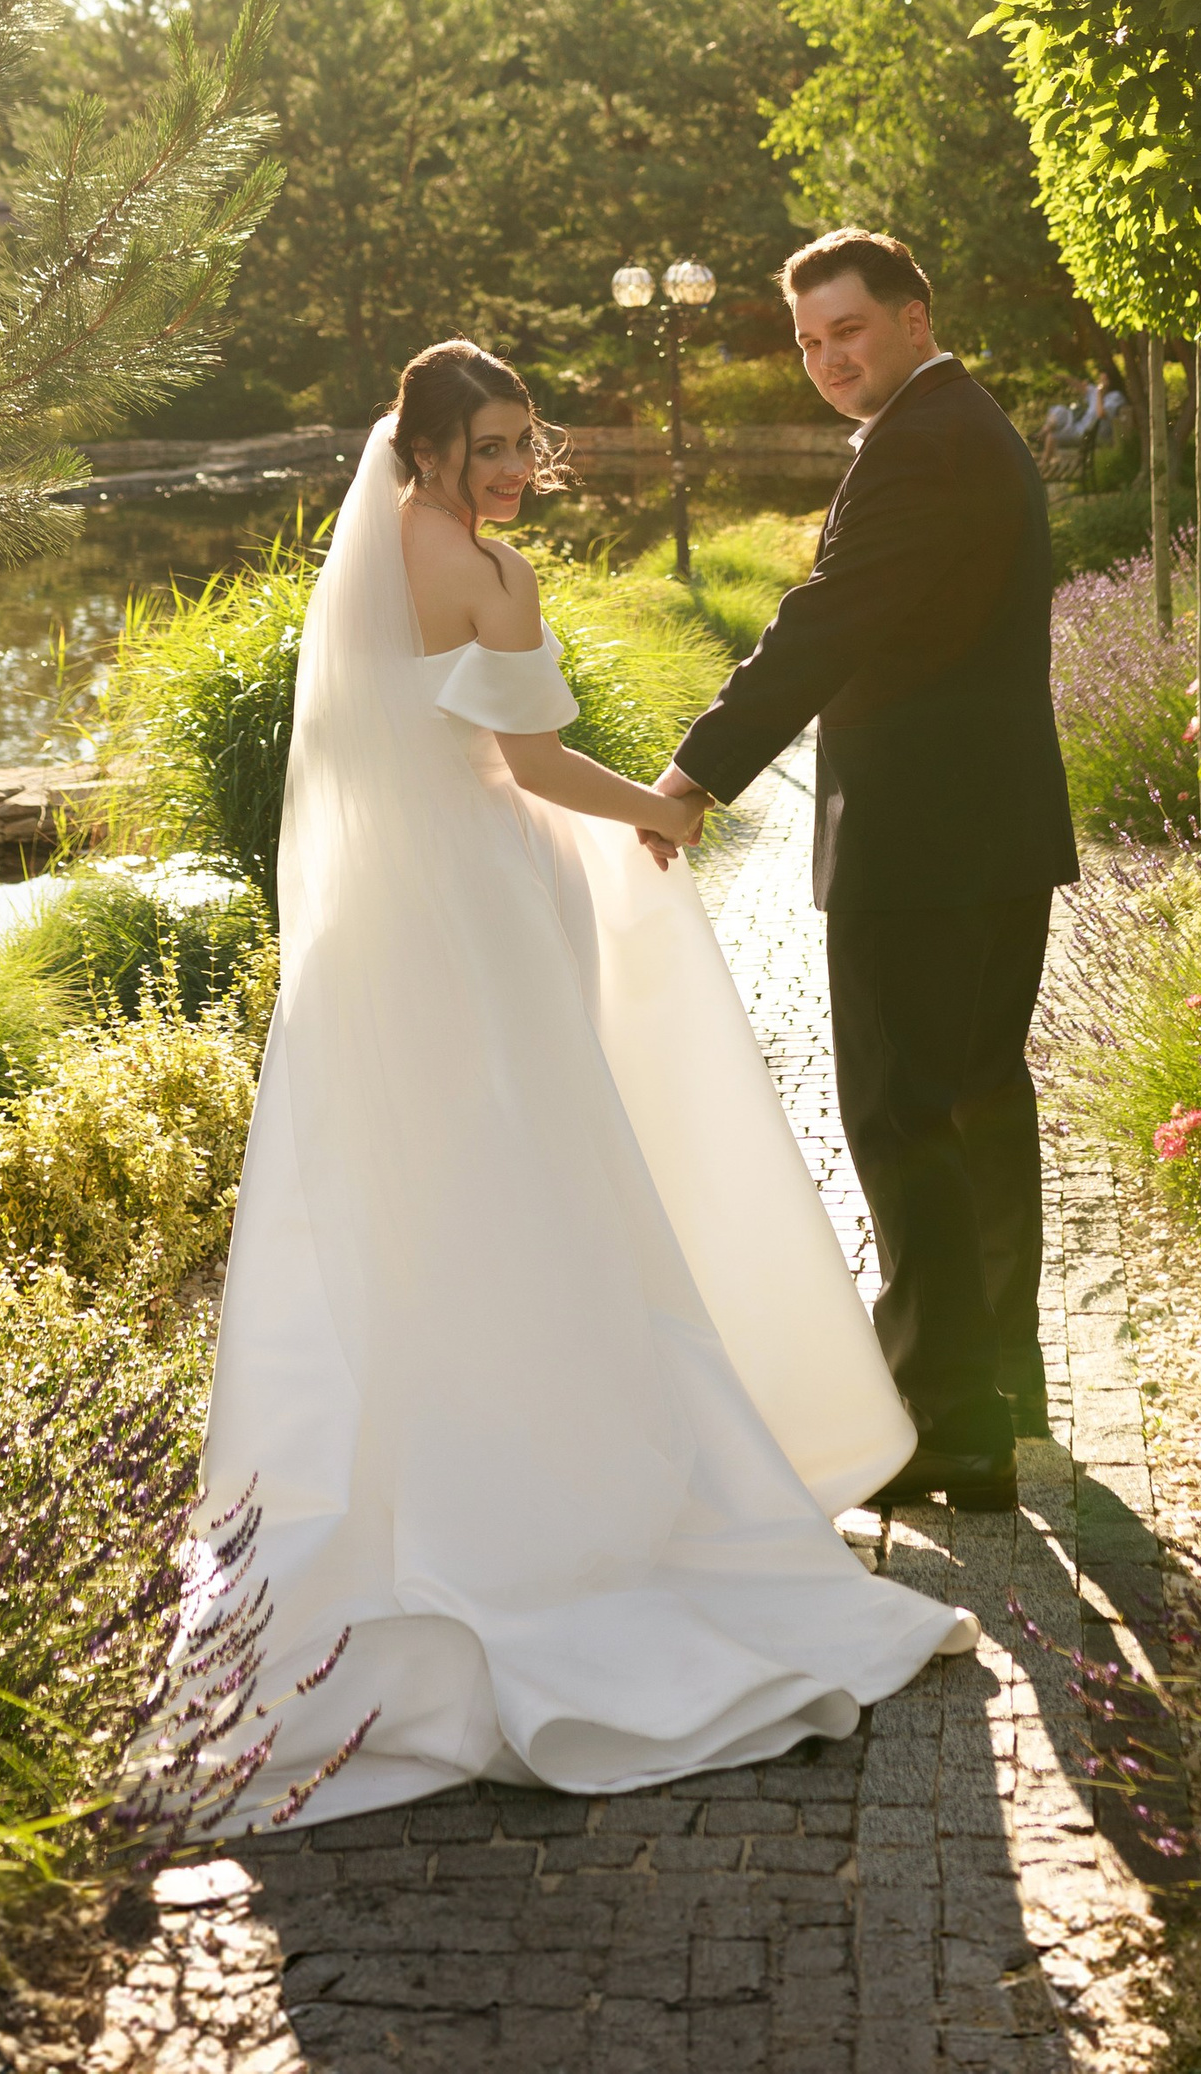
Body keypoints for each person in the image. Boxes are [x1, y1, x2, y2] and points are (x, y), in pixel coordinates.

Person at [136, 338, 973, 1835]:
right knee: (536, 1181)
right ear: (426, 447)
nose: (517, 468)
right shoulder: (487, 573)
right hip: (479, 914)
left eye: (526, 439)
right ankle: (550, 1507)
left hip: (376, 931)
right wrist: (660, 805)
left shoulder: (373, 554)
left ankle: (405, 1486)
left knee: (415, 1194)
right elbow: (527, 761)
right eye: (491, 446)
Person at [656, 233, 1077, 1513]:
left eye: (847, 330)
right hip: (985, 829)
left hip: (924, 840)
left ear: (912, 317)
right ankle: (1000, 1378)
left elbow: (826, 619)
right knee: (975, 1100)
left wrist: (692, 776)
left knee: (901, 1115)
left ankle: (947, 1424)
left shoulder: (925, 440)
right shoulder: (958, 424)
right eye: (808, 341)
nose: (827, 358)